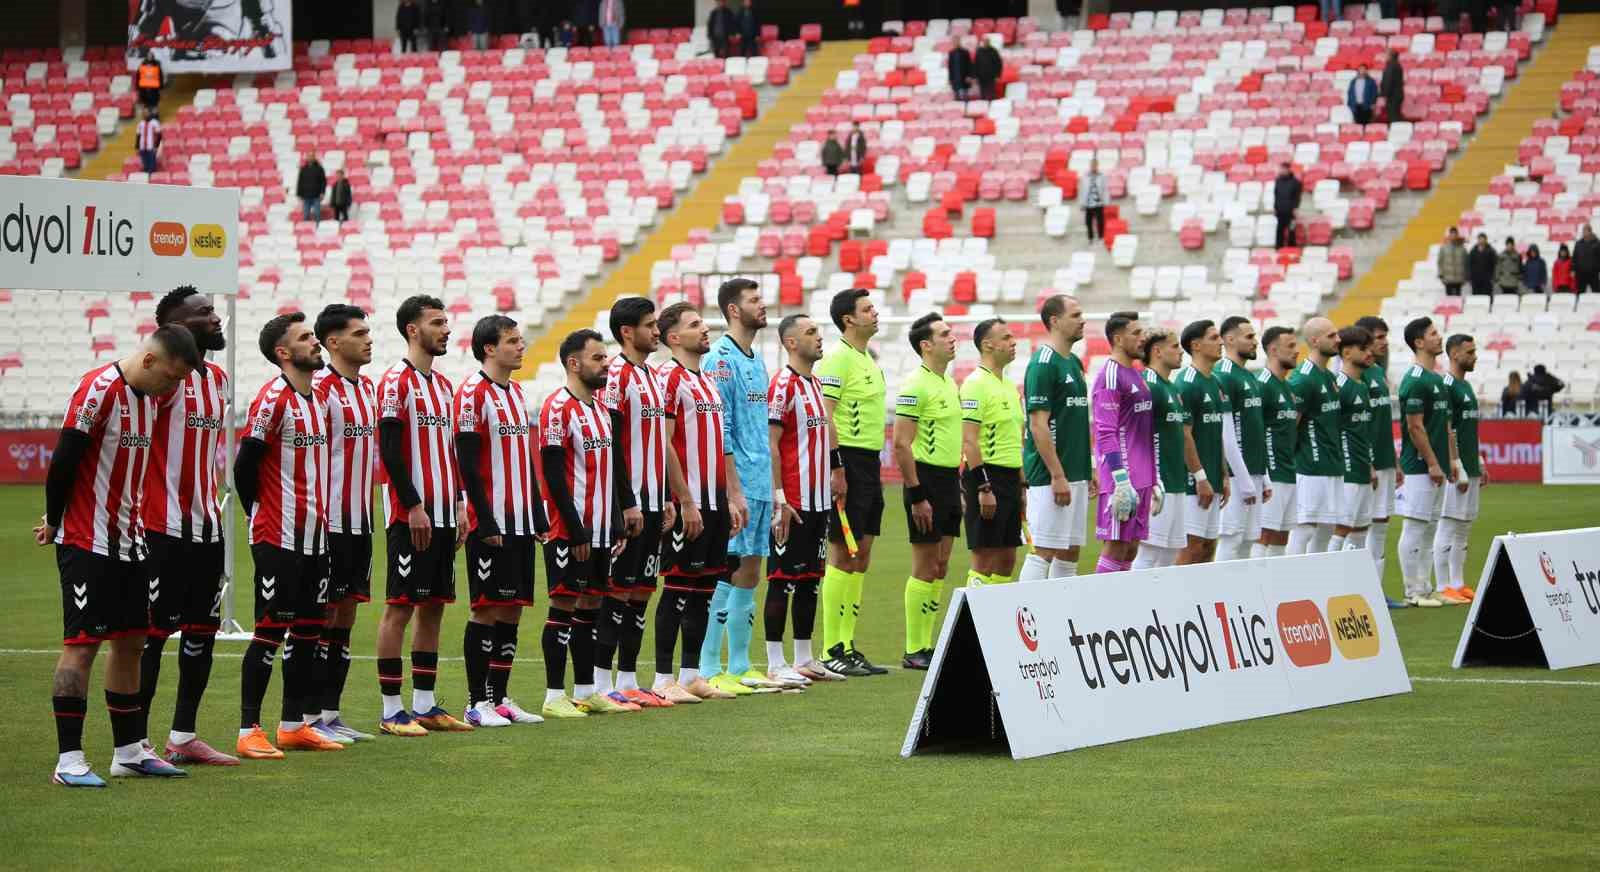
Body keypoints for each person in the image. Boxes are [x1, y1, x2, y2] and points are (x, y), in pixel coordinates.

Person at [41, 325, 199, 786]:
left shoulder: (150, 400)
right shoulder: (97, 390)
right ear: (149, 361)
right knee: (83, 645)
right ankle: (68, 761)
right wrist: (54, 521)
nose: (172, 388)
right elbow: (64, 461)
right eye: (170, 377)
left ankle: (129, 751)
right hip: (88, 543)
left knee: (132, 641)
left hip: (133, 541)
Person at [233, 312, 343, 758]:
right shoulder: (272, 399)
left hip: (316, 538)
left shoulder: (315, 400)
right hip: (278, 536)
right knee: (269, 631)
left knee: (309, 632)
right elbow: (245, 466)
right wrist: (258, 516)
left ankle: (293, 724)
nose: (315, 343)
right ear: (283, 353)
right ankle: (248, 729)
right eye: (304, 338)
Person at [137, 288, 237, 767]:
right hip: (158, 527)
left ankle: (183, 736)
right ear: (176, 323)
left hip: (207, 528)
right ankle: (134, 742)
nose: (217, 320)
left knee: (202, 633)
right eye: (205, 314)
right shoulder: (161, 378)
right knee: (150, 635)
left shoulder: (216, 379)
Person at [375, 295, 472, 735]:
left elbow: (449, 453)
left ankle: (426, 704)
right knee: (400, 607)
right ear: (413, 330)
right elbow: (390, 450)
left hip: (444, 514)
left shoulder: (443, 385)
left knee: (433, 606)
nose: (446, 329)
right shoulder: (395, 381)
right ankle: (391, 709)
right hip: (411, 515)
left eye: (446, 322)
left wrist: (459, 502)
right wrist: (412, 504)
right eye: (437, 323)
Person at [535, 329, 637, 717]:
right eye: (598, 358)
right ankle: (552, 695)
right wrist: (574, 528)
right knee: (562, 605)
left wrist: (614, 521)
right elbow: (553, 474)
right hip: (569, 529)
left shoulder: (600, 411)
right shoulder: (556, 409)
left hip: (598, 529)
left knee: (591, 607)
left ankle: (585, 689)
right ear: (574, 364)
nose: (606, 364)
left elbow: (610, 472)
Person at [451, 316, 547, 726]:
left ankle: (501, 697)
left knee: (512, 609)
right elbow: (467, 460)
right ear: (489, 348)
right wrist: (483, 519)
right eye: (512, 341)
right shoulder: (473, 393)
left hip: (521, 519)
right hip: (491, 521)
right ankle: (477, 702)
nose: (520, 347)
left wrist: (539, 511)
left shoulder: (516, 393)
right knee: (487, 609)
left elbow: (524, 459)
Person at [653, 304, 740, 701]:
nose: (704, 329)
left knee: (704, 589)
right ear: (673, 338)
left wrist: (731, 497)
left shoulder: (705, 381)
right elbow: (664, 442)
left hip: (714, 500)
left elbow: (721, 445)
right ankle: (661, 679)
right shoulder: (668, 379)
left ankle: (691, 674)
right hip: (687, 500)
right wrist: (684, 500)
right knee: (676, 588)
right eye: (694, 325)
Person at [599, 298, 682, 706]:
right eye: (650, 325)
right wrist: (625, 501)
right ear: (627, 332)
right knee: (616, 591)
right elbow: (612, 442)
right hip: (627, 504)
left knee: (641, 592)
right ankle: (599, 684)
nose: (656, 331)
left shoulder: (649, 376)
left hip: (652, 502)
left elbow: (657, 445)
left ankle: (629, 680)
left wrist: (666, 497)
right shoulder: (616, 376)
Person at [700, 279, 780, 696]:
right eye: (753, 300)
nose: (762, 305)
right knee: (728, 571)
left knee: (751, 571)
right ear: (733, 309)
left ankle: (741, 664)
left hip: (760, 481)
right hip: (738, 484)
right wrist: (733, 490)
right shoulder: (721, 360)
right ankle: (710, 666)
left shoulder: (757, 361)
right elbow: (721, 429)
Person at [310, 305, 381, 740]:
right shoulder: (320, 388)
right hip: (328, 521)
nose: (368, 339)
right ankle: (308, 716)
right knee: (322, 617)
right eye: (359, 333)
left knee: (347, 617)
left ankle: (331, 714)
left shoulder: (367, 388)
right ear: (333, 342)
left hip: (361, 522)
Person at [815, 289, 889, 675]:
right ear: (848, 319)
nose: (875, 313)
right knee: (843, 553)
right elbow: (826, 415)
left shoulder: (867, 360)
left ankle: (847, 644)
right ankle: (832, 649)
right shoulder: (837, 360)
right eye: (867, 309)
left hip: (870, 463)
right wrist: (836, 466)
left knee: (862, 554)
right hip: (850, 461)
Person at [766, 314, 840, 681]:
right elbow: (772, 444)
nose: (819, 337)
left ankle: (804, 657)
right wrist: (780, 497)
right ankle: (776, 662)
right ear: (791, 343)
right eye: (810, 332)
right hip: (792, 502)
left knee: (811, 579)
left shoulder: (814, 384)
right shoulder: (783, 384)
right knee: (782, 579)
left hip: (818, 500)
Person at [892, 314, 964, 669]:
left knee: (941, 564)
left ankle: (926, 643)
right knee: (924, 565)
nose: (953, 338)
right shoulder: (914, 385)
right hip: (927, 482)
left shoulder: (949, 383)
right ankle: (913, 647)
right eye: (944, 334)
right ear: (926, 344)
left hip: (950, 481)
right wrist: (917, 494)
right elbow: (901, 444)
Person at [1019, 295, 1091, 582]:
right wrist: (1057, 475)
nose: (1082, 320)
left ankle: (1061, 620)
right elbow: (1038, 425)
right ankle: (1023, 619)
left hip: (1076, 472)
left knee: (1070, 552)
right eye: (1075, 315)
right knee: (1043, 551)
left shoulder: (1074, 362)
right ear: (1054, 321)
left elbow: (1075, 421)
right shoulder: (1043, 363)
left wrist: (1087, 468)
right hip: (1051, 476)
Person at [1395, 317, 1455, 608]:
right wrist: (1432, 462)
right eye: (1433, 333)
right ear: (1419, 342)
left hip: (1437, 465)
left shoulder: (1436, 379)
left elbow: (1443, 424)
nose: (1439, 337)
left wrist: (1450, 460)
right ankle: (1412, 591)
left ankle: (1426, 587)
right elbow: (1414, 427)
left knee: (1430, 526)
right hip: (1419, 466)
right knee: (1416, 526)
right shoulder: (1415, 380)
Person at [1174, 321, 1244, 566]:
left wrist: (1223, 475)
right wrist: (1200, 477)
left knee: (1208, 547)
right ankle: (1178, 602)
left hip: (1213, 478)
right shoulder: (1186, 382)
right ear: (1196, 345)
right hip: (1194, 482)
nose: (1221, 342)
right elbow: (1184, 436)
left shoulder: (1215, 382)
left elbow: (1218, 434)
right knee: (1191, 546)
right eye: (1214, 338)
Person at [1092, 312, 1157, 574]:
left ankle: (1121, 609)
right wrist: (1120, 479)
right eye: (1136, 333)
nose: (1143, 338)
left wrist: (1155, 477)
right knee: (1116, 546)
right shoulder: (1110, 375)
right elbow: (1105, 432)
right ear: (1118, 339)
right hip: (1123, 478)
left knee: (1130, 548)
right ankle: (1099, 609)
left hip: (1141, 476)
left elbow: (1142, 429)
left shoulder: (1135, 373)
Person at [960, 319, 1025, 585]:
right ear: (988, 345)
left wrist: (1022, 484)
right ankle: (973, 621)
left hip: (1010, 478)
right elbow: (969, 441)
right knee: (985, 557)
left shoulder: (1009, 386)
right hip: (987, 477)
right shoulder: (975, 384)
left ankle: (996, 622)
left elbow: (1015, 440)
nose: (1014, 342)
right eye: (1007, 337)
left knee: (1007, 557)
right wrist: (984, 488)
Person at [1354, 315, 1402, 607]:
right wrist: (1368, 461)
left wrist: (1393, 460)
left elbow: (1382, 423)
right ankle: (1360, 590)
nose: (1384, 342)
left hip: (1384, 460)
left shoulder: (1377, 373)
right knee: (1360, 526)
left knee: (1382, 523)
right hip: (1364, 462)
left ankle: (1377, 590)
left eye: (1386, 337)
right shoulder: (1355, 375)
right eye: (1379, 337)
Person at [1434, 334, 1486, 605]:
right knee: (1448, 522)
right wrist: (1457, 465)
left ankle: (1458, 582)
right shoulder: (1447, 385)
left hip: (1470, 464)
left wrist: (1478, 461)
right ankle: (1443, 585)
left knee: (1464, 525)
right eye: (1470, 351)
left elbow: (1467, 430)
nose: (1475, 355)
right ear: (1455, 355)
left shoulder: (1465, 386)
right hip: (1455, 469)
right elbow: (1446, 429)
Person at [1285, 317, 1344, 555]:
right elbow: (1292, 427)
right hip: (1310, 467)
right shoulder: (1303, 378)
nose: (1338, 339)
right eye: (1331, 335)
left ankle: (1316, 586)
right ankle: (1291, 588)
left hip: (1332, 466)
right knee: (1304, 529)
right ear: (1314, 340)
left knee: (1327, 529)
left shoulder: (1329, 377)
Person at [1214, 317, 1269, 562]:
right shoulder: (1224, 375)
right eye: (1249, 337)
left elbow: (1255, 430)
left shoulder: (1249, 376)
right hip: (1236, 476)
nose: (1255, 341)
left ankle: (1243, 599)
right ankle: (1220, 597)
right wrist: (1243, 479)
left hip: (1254, 471)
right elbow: (1226, 433)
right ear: (1229, 339)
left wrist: (1263, 476)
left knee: (1248, 539)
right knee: (1231, 538)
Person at [1133, 329, 1188, 570]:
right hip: (1157, 482)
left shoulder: (1172, 388)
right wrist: (1148, 480)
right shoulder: (1148, 385)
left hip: (1176, 480)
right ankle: (1136, 605)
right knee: (1149, 551)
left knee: (1170, 552)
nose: (1180, 351)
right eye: (1175, 346)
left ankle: (1163, 606)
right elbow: (1135, 437)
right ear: (1156, 351)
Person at [1251, 326, 1301, 559]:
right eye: (1290, 346)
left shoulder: (1287, 386)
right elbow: (1254, 431)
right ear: (1272, 349)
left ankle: (1275, 591)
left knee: (1282, 534)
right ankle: (1255, 589)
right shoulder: (1262, 384)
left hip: (1289, 469)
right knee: (1264, 533)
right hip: (1271, 472)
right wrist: (1263, 474)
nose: (1297, 351)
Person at [1330, 327, 1378, 557]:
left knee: (1361, 527)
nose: (1370, 353)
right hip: (1346, 470)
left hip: (1361, 467)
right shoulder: (1339, 385)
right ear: (1346, 353)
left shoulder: (1361, 385)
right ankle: (1328, 579)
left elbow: (1361, 430)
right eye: (1363, 348)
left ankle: (1355, 585)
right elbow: (1332, 429)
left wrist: (1368, 465)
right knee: (1341, 527)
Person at [1273, 162, 1302, 250]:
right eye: (1281, 169)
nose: (1281, 170)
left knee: (1291, 230)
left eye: (1283, 169)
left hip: (1291, 212)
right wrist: (1275, 207)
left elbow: (1297, 197)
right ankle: (1279, 249)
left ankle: (1291, 249)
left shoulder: (1295, 182)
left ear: (1288, 169)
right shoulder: (1278, 181)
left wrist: (1295, 208)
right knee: (1279, 231)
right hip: (1280, 211)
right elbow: (1276, 195)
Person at [1437, 227, 1469, 296]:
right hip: (1448, 278)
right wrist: (1441, 275)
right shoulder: (1443, 248)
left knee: (1458, 299)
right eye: (1452, 234)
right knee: (1449, 299)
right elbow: (1440, 262)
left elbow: (1466, 263)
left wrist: (1466, 276)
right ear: (1449, 235)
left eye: (1455, 234)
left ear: (1457, 235)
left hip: (1459, 278)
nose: (1453, 236)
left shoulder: (1462, 248)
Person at [1081, 159, 1107, 242]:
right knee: (1088, 221)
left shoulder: (1102, 176)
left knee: (1100, 221)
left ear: (1097, 166)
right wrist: (1082, 203)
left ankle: (1101, 237)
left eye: (1095, 165)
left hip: (1099, 202)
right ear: (1090, 166)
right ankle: (1090, 237)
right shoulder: (1085, 176)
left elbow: (1105, 189)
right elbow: (1082, 190)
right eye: (1092, 165)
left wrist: (1106, 201)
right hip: (1088, 202)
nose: (1093, 167)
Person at [296, 153, 327, 223]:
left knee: (317, 214)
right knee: (306, 215)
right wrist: (299, 194)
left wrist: (322, 192)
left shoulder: (320, 168)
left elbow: (323, 182)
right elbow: (300, 182)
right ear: (307, 158)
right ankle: (306, 229)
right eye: (309, 156)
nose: (310, 158)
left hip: (316, 195)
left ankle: (317, 229)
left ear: (314, 158)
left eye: (312, 156)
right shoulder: (303, 169)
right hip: (306, 195)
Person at [974, 36, 1003, 101]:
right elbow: (976, 64)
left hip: (991, 76)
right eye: (984, 41)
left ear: (989, 42)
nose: (985, 43)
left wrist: (998, 75)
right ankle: (983, 105)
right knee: (982, 93)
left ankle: (992, 104)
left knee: (991, 92)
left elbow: (999, 64)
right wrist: (975, 76)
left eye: (987, 41)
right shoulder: (979, 51)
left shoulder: (994, 51)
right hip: (981, 76)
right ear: (982, 42)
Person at [1380, 49, 1404, 124]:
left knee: (1393, 117)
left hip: (1392, 96)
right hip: (1397, 94)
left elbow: (1388, 81)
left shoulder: (1391, 66)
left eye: (1387, 55)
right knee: (1396, 115)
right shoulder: (1398, 65)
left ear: (1390, 56)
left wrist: (1384, 93)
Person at [1574, 225, 1600, 294]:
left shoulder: (1597, 243)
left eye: (1585, 231)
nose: (1584, 232)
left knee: (1596, 292)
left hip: (1593, 273)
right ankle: (1578, 304)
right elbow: (1575, 258)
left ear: (1590, 232)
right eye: (1583, 231)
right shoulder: (1578, 244)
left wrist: (1597, 268)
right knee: (1580, 292)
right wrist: (1573, 269)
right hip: (1581, 273)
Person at [136, 108, 161, 174]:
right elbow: (138, 136)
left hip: (151, 147)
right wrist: (137, 147)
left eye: (146, 112)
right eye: (144, 112)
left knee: (152, 166)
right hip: (142, 147)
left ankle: (152, 178)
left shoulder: (155, 123)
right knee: (145, 165)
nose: (145, 114)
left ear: (150, 113)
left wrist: (156, 146)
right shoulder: (140, 124)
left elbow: (159, 136)